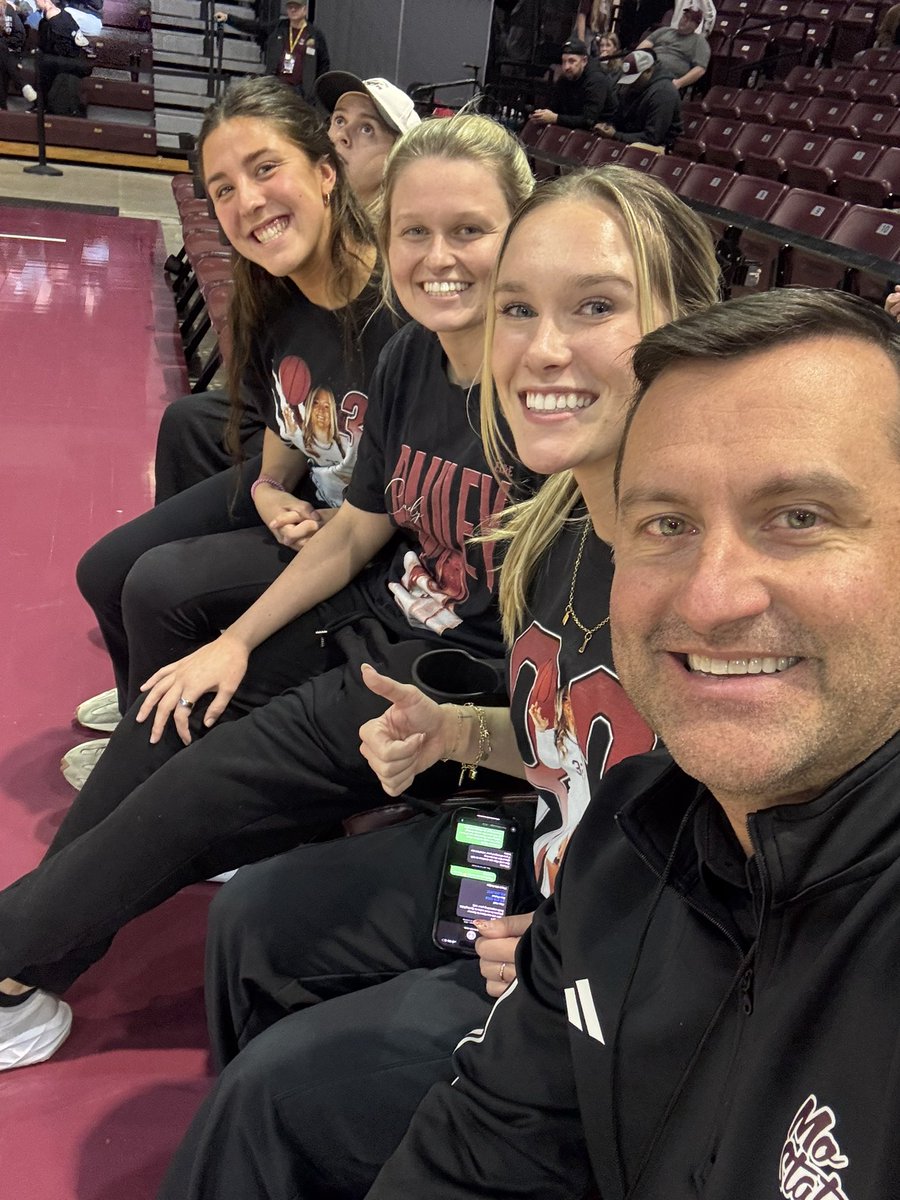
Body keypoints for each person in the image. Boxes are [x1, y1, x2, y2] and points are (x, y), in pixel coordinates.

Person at [155, 167, 720, 1200]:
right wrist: (456, 731)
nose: (543, 350)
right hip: (530, 860)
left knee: (278, 1099)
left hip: (611, 966)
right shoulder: (549, 524)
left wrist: (570, 948)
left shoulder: (714, 583)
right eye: (519, 310)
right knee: (255, 922)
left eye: (595, 307)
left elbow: (746, 886)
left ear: (686, 323)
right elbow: (571, 740)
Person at [0, 112, 536, 1072]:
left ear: (521, 235)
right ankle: (25, 961)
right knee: (171, 710)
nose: (438, 257)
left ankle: (10, 954)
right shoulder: (416, 353)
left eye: (470, 231)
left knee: (202, 785)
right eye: (416, 231)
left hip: (445, 687)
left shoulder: (541, 395)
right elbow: (361, 529)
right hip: (375, 614)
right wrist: (236, 642)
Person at [367, 287, 900, 1199]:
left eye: (800, 518)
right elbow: (482, 1154)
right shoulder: (626, 830)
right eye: (667, 525)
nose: (710, 598)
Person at [69, 75, 398, 783]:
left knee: (159, 584)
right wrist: (270, 489)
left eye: (265, 168)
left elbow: (389, 514)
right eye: (222, 188)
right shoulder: (274, 291)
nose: (246, 201)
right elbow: (286, 418)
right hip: (309, 502)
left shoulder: (397, 316)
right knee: (103, 570)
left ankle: (163, 772)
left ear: (324, 173)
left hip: (368, 542)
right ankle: (144, 720)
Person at [148, 73, 418, 514]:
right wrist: (268, 486)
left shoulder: (405, 269)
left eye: (367, 129)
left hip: (359, 482)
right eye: (339, 121)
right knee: (190, 422)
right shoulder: (279, 265)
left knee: (156, 578)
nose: (344, 135)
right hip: (306, 416)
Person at [215, 0, 328, 101]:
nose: (293, 10)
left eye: (296, 7)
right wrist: (228, 18)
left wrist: (313, 90)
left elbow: (323, 63)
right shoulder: (279, 27)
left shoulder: (315, 34)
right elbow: (255, 27)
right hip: (276, 86)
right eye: (290, 7)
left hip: (300, 92)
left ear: (304, 9)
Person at [594, 49, 682, 151]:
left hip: (655, 148)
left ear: (648, 71)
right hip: (628, 138)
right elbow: (620, 116)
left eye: (636, 78)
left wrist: (615, 135)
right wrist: (608, 126)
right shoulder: (633, 86)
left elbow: (653, 137)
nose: (631, 83)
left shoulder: (663, 92)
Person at [531, 36, 616, 128]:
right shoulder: (565, 78)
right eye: (564, 61)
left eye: (572, 61)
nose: (566, 67)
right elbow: (554, 108)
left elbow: (589, 120)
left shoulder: (596, 80)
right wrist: (541, 115)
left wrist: (556, 118)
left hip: (601, 131)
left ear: (584, 61)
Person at [638, 4, 711, 90]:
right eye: (684, 17)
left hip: (667, 77)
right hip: (647, 68)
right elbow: (643, 47)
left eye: (689, 20)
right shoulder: (664, 31)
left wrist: (679, 83)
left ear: (696, 26)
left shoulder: (699, 42)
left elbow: (700, 69)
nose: (684, 20)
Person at [0, 0, 25, 109]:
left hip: (7, 53)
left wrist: (4, 44)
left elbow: (20, 35)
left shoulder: (9, 10)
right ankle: (22, 84)